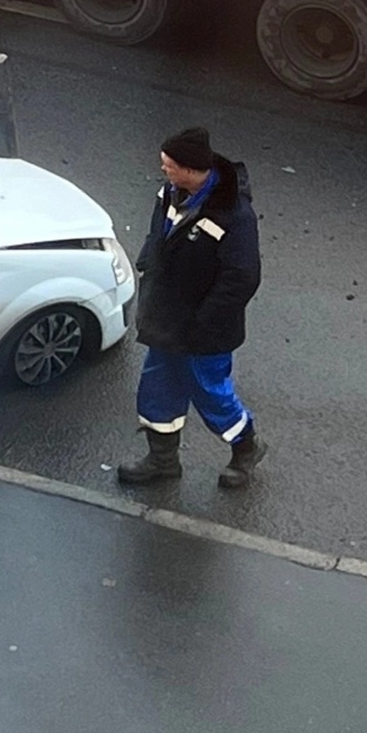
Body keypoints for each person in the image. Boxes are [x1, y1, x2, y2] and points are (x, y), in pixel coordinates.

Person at [117, 126, 265, 492]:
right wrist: (148, 260)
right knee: (157, 387)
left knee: (210, 392)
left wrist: (204, 321)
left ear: (190, 169)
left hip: (204, 330)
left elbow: (242, 278)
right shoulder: (170, 192)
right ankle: (162, 460)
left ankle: (246, 447)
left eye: (169, 165)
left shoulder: (234, 215)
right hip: (167, 320)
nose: (163, 169)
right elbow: (158, 234)